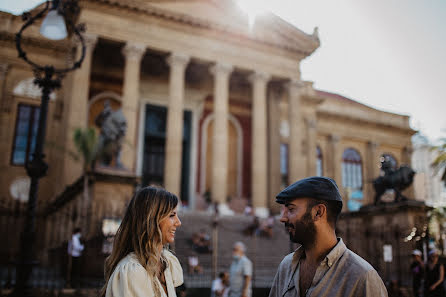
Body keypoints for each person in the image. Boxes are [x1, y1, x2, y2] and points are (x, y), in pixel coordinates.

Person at [269, 176, 388, 297]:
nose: (282, 218)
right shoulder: (286, 266)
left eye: (291, 209)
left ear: (318, 212)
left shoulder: (362, 277)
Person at [100, 186, 183, 297]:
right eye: (172, 215)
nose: (178, 222)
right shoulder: (131, 271)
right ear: (151, 220)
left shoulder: (167, 262)